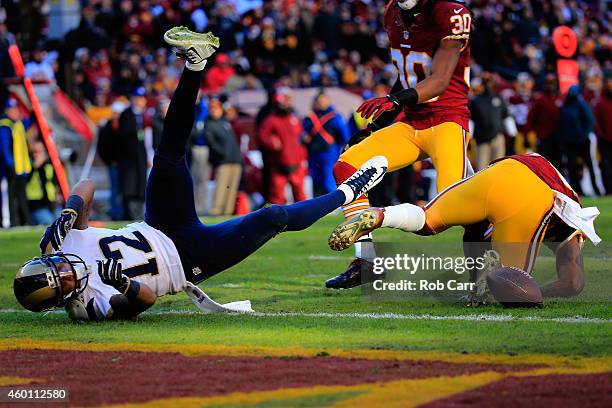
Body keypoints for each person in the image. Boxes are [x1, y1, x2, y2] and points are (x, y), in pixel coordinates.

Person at [13, 27, 389, 321]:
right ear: (61, 298)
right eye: (62, 280)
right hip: (188, 258)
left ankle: (195, 63)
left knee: (167, 154)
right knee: (271, 216)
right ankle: (348, 192)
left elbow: (87, 184)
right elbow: (141, 303)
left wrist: (69, 211)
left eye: (56, 266)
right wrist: (121, 282)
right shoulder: (87, 305)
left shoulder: (57, 244)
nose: (65, 269)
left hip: (158, 223)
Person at [326, 0, 474, 289]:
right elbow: (407, 77)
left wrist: (395, 100)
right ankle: (366, 261)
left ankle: (490, 268)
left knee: (449, 210)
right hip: (410, 123)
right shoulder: (393, 13)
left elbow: (439, 80)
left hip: (447, 120)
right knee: (347, 165)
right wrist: (376, 126)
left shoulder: (451, 14)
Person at [329, 153, 600, 300]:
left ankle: (379, 215)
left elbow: (474, 234)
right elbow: (573, 283)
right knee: (511, 288)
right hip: (535, 192)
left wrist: (475, 283)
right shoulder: (571, 225)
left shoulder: (563, 215)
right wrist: (536, 291)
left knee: (426, 219)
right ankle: (484, 290)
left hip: (505, 167)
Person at [257, 88, 307, 205]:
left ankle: (304, 219)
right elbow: (262, 137)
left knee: (300, 195)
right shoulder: (270, 121)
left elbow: (300, 140)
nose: (287, 103)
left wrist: (303, 157)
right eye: (284, 100)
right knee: (277, 196)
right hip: (278, 165)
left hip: (296, 164)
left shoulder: (294, 119)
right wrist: (271, 142)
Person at [303, 91, 350, 197]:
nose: (321, 103)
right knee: (315, 179)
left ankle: (331, 201)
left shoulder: (335, 117)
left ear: (328, 101)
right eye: (319, 101)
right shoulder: (310, 117)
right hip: (313, 153)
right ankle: (316, 201)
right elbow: (303, 132)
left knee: (328, 178)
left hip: (329, 153)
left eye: (323, 100)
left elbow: (344, 136)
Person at [559, 85, 601, 196]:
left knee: (589, 165)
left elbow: (590, 122)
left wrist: (583, 136)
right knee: (572, 167)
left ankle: (596, 190)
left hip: (582, 141)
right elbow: (561, 124)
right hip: (569, 142)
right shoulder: (565, 106)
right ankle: (577, 191)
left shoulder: (582, 105)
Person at [205, 98, 242, 216]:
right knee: (221, 187)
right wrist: (221, 155)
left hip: (235, 160)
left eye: (217, 108)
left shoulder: (225, 122)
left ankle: (228, 212)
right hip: (223, 161)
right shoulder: (209, 124)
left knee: (231, 189)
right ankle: (217, 211)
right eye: (213, 109)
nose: (215, 111)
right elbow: (212, 143)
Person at [118, 87, 149, 219]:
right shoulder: (126, 115)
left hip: (139, 159)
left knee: (140, 186)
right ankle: (130, 214)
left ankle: (138, 214)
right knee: (130, 187)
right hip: (129, 160)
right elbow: (125, 138)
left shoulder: (141, 116)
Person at [0, 98, 32, 226]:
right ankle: (10, 222)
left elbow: (28, 123)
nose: (15, 112)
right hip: (10, 169)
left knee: (21, 196)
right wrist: (10, 164)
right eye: (12, 109)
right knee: (10, 197)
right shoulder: (5, 125)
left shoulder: (17, 124)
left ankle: (26, 221)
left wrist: (33, 112)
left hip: (21, 168)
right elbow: (4, 146)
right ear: (7, 110)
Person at [469, 75, 509, 170]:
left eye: (490, 82)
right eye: (486, 82)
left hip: (497, 137)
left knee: (498, 167)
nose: (488, 85)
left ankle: (498, 185)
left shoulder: (499, 98)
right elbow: (471, 120)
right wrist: (469, 138)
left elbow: (506, 116)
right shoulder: (476, 101)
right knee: (482, 168)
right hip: (482, 139)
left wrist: (513, 134)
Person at [26, 141, 58, 225]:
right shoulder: (29, 167)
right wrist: (35, 167)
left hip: (52, 204)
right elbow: (24, 183)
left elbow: (54, 183)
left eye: (40, 152)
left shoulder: (50, 166)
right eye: (35, 152)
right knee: (49, 222)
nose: (37, 154)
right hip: (37, 206)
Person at [594, 75, 611, 195]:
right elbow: (596, 122)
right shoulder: (600, 104)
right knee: (606, 166)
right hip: (605, 141)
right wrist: (602, 136)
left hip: (606, 139)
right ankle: (609, 189)